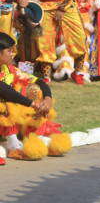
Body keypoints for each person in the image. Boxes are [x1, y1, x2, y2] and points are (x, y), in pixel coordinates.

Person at [0, 32, 68, 163]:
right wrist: (30, 103)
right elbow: (4, 90)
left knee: (35, 90)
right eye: (9, 51)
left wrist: (47, 99)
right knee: (5, 104)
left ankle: (36, 135)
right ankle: (14, 145)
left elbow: (40, 81)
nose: (12, 54)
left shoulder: (8, 69)